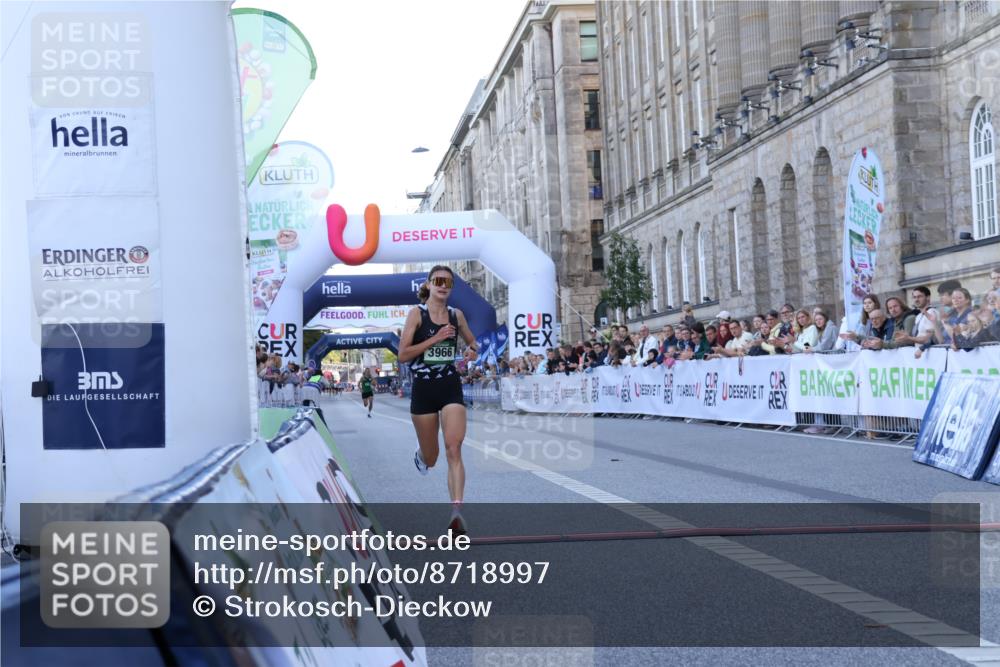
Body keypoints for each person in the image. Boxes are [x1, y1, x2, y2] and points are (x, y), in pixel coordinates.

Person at [398, 265, 478, 535]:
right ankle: (421, 455)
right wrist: (433, 340)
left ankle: (456, 512)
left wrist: (470, 353)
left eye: (448, 282)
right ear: (429, 284)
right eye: (438, 281)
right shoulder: (416, 315)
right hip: (423, 389)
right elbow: (403, 355)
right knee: (432, 457)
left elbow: (474, 345)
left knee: (453, 448)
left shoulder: (457, 315)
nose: (443, 285)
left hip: (449, 385)